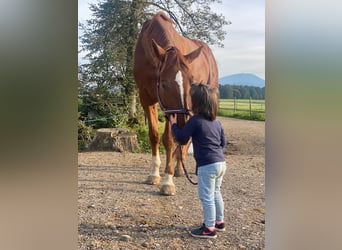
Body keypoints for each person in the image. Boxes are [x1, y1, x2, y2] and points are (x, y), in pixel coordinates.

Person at [169, 83, 227, 239]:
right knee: (216, 193)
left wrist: (174, 125)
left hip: (207, 166)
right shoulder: (217, 123)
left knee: (206, 196)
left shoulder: (195, 121)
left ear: (196, 103)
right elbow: (223, 143)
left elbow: (181, 139)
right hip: (221, 163)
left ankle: (209, 228)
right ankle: (219, 222)